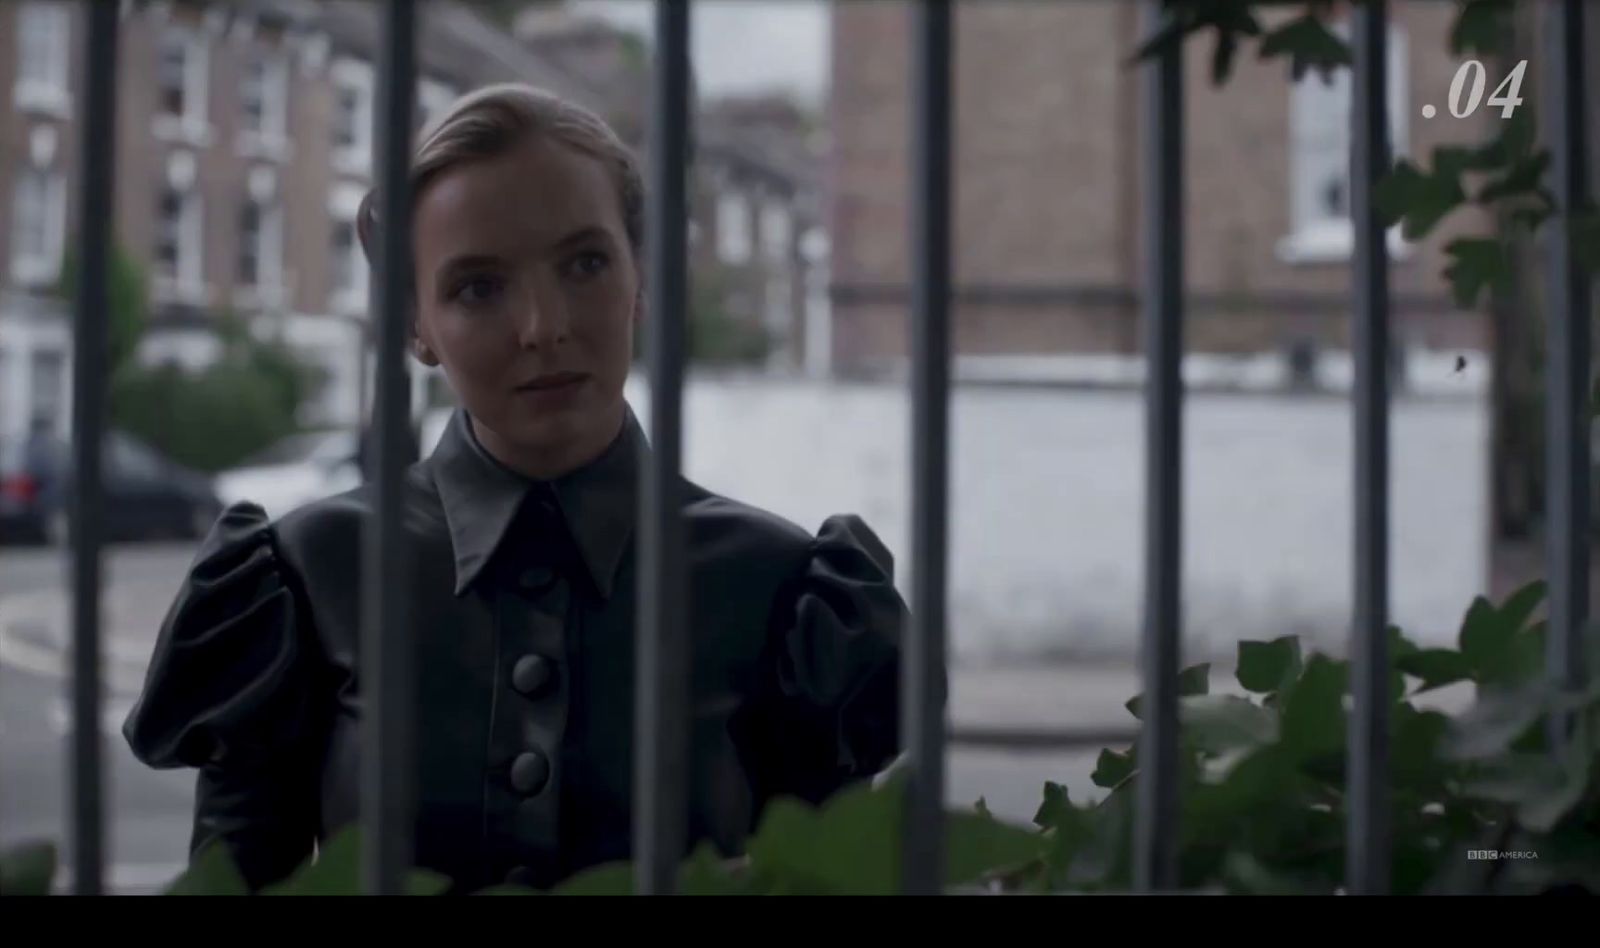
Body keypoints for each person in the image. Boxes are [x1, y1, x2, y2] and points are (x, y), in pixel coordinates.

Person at [121, 83, 907, 893]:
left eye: (585, 263)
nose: (543, 325)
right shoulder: (300, 576)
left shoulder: (785, 588)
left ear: (640, 280)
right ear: (416, 326)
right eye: (477, 287)